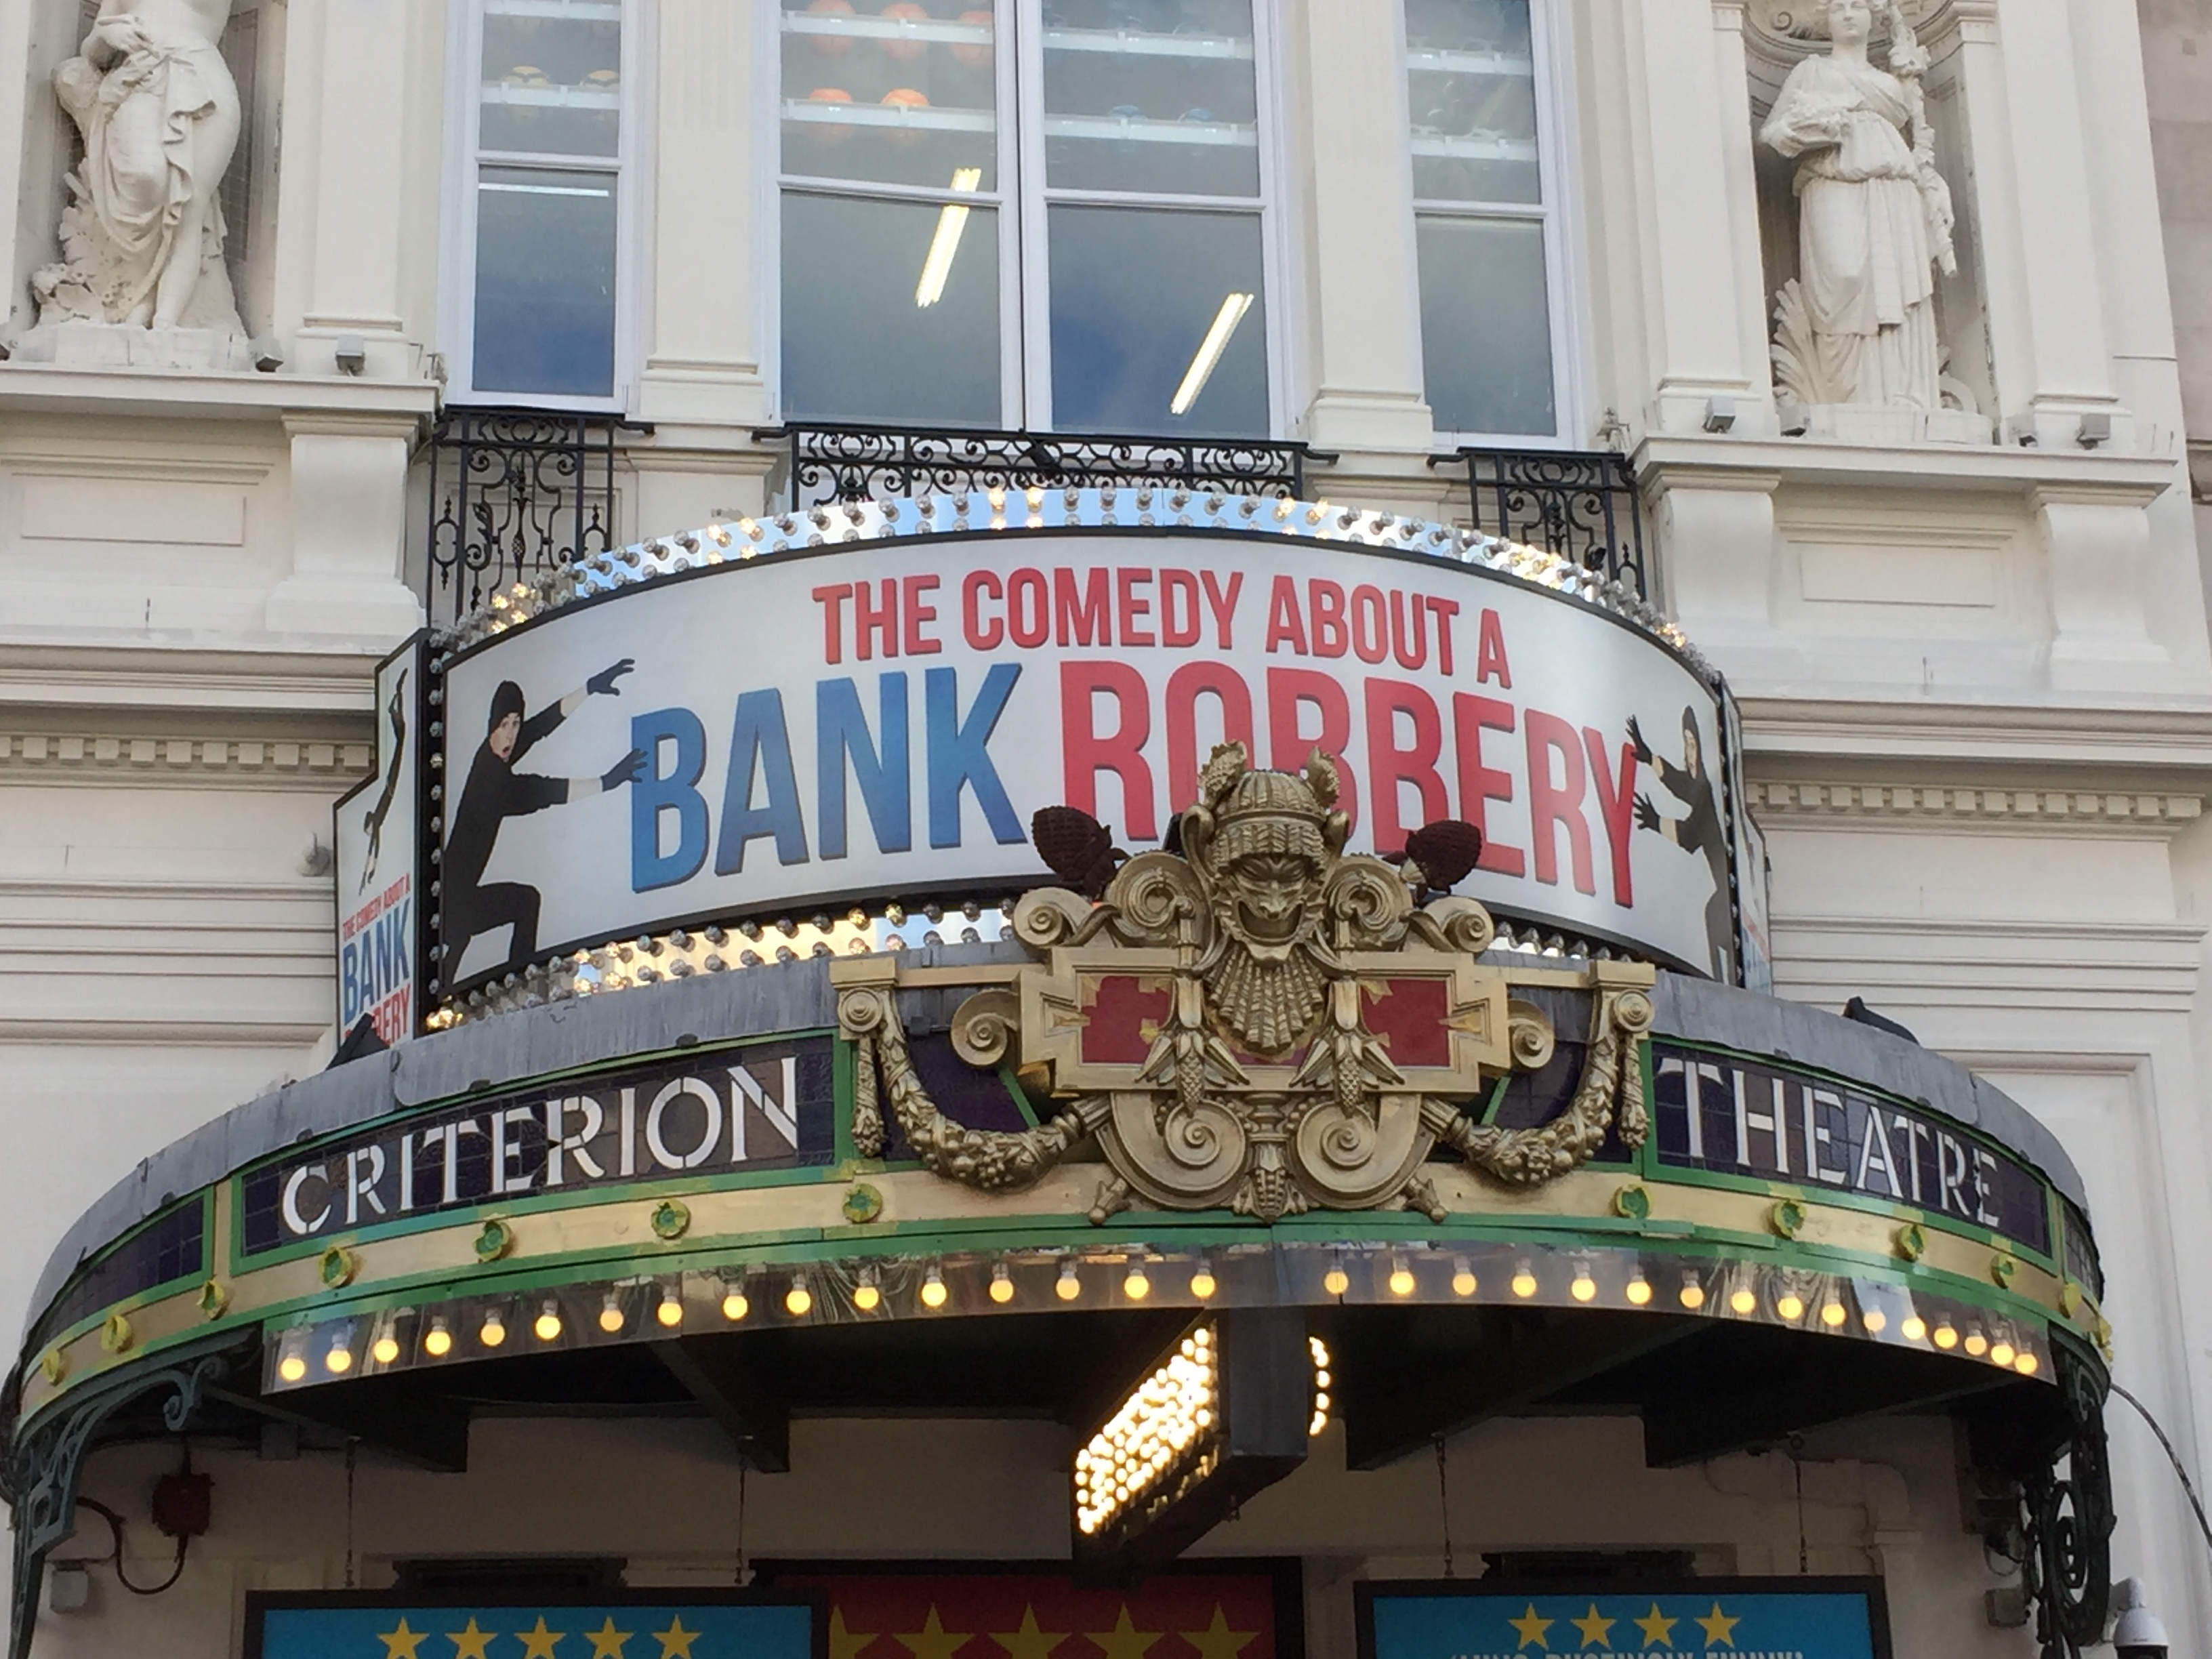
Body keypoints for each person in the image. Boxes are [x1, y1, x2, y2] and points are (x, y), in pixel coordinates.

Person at [1759, 0, 1952, 410]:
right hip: (1832, 180)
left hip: (1893, 188)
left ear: (1873, 17)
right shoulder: (1811, 71)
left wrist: (1935, 189)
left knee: (1896, 287)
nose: (1849, 14)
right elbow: (1772, 132)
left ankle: (1900, 390)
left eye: (1859, 6)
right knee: (1844, 274)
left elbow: (1920, 149)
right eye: (1839, 7)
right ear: (1824, 18)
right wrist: (1811, 128)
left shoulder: (1891, 83)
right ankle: (1841, 393)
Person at [443, 660, 645, 980]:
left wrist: (589, 688)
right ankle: (521, 982)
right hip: (454, 901)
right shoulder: (493, 781)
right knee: (526, 901)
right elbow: (548, 790)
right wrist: (606, 781)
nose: (511, 734)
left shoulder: (490, 751)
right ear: (491, 726)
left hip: (455, 898)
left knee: (456, 953)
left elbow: (538, 728)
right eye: (504, 725)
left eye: (515, 723)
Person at [49, 0, 242, 329]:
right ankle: (137, 297)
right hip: (139, 78)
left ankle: (162, 318)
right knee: (145, 176)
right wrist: (110, 34)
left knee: (189, 209)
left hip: (204, 78)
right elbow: (93, 48)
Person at [1629, 710, 1732, 981]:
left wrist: (1655, 821)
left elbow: (1689, 835)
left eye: (1692, 743)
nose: (1688, 751)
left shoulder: (1708, 793)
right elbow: (1678, 783)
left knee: (1712, 916)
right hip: (1725, 891)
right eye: (1685, 743)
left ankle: (1717, 984)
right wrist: (1649, 757)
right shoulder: (1700, 786)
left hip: (1727, 893)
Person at [359, 669, 409, 891]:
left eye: (368, 830)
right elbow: (374, 847)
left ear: (370, 823)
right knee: (402, 738)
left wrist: (370, 873)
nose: (370, 834)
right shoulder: (376, 822)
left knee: (401, 740)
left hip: (391, 782)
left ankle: (398, 692)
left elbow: (374, 849)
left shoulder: (377, 821)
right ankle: (395, 703)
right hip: (391, 783)